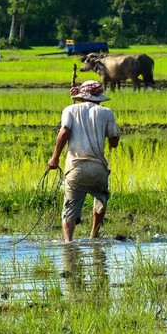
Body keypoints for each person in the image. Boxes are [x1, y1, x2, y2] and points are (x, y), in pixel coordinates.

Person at [47, 80, 120, 243]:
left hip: (76, 168)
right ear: (99, 98)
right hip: (98, 168)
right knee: (101, 198)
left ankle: (68, 242)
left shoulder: (70, 110)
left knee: (69, 210)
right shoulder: (107, 113)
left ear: (81, 96)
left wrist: (55, 158)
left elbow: (64, 131)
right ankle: (94, 234)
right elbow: (114, 141)